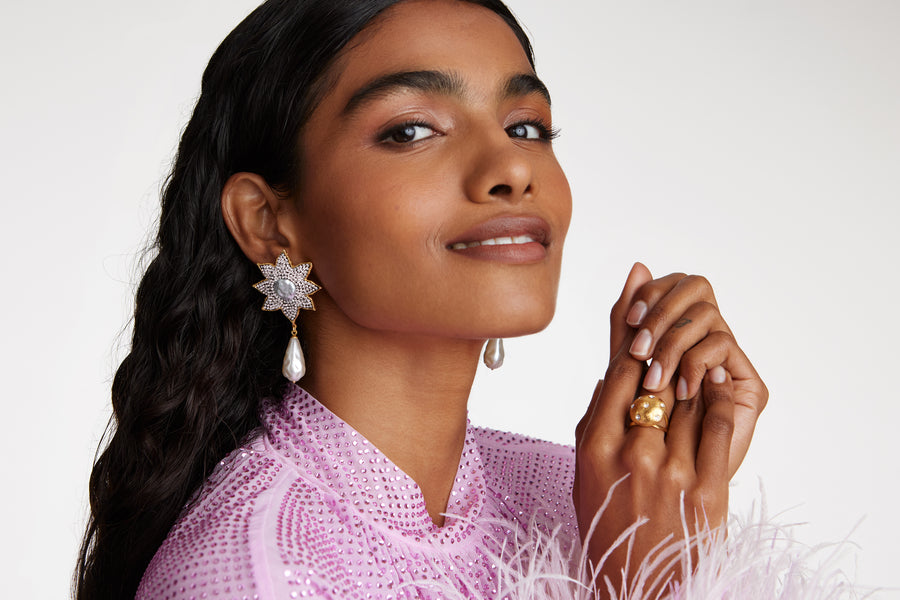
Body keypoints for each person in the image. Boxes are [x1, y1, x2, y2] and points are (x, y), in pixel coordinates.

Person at [76, 0, 842, 598]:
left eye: (526, 125)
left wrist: (679, 548)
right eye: (412, 129)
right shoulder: (253, 572)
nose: (510, 166)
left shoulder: (593, 499)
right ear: (270, 223)